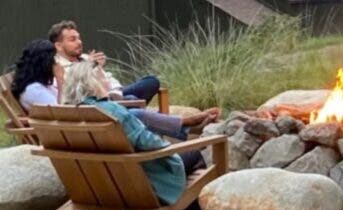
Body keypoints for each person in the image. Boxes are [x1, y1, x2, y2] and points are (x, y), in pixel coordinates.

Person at [61, 61, 205, 210]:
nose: (108, 80)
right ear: (94, 83)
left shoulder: (66, 114)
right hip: (137, 188)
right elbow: (153, 144)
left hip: (97, 189)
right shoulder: (113, 112)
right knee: (194, 154)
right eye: (104, 76)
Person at [10, 39, 216, 140]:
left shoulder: (39, 85)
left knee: (133, 103)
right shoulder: (34, 90)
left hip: (78, 125)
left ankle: (186, 127)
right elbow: (64, 112)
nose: (56, 62)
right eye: (53, 59)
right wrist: (62, 78)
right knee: (133, 110)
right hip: (75, 132)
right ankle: (187, 125)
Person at [49, 20, 161, 104]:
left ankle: (124, 106)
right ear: (58, 46)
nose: (79, 42)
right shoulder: (57, 65)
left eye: (79, 38)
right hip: (94, 101)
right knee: (132, 100)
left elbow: (109, 80)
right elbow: (77, 90)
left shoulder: (85, 57)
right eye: (73, 39)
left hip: (113, 93)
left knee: (151, 82)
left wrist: (100, 69)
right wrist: (89, 67)